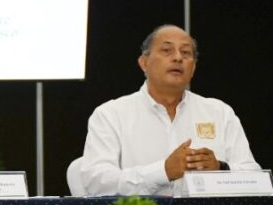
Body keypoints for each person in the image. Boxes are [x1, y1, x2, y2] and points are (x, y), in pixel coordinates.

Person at [79, 25, 260, 196]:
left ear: (193, 68)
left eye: (186, 53)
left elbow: (255, 179)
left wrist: (221, 168)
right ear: (144, 63)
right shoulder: (111, 115)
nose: (178, 58)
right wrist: (163, 171)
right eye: (167, 50)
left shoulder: (219, 113)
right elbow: (97, 182)